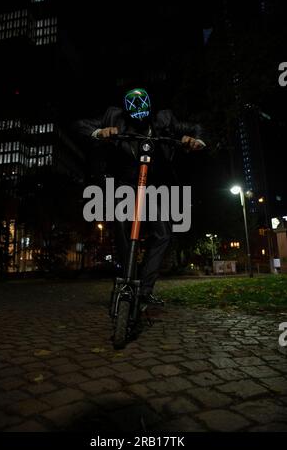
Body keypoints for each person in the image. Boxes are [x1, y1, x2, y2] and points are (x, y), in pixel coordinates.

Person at [74, 87, 206, 304]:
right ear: (125, 112)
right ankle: (127, 282)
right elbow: (80, 126)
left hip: (152, 186)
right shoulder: (113, 116)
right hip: (124, 184)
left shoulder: (165, 119)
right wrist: (100, 132)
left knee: (163, 234)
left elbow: (195, 128)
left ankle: (145, 289)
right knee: (122, 229)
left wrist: (195, 140)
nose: (139, 119)